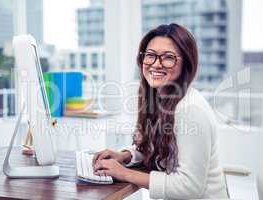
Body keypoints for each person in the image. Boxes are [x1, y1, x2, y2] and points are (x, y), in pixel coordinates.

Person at [92, 23, 228, 199]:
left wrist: (124, 173)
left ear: (186, 63)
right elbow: (157, 148)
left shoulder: (190, 110)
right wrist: (125, 156)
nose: (156, 64)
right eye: (150, 56)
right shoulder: (159, 98)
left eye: (168, 57)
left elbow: (190, 187)